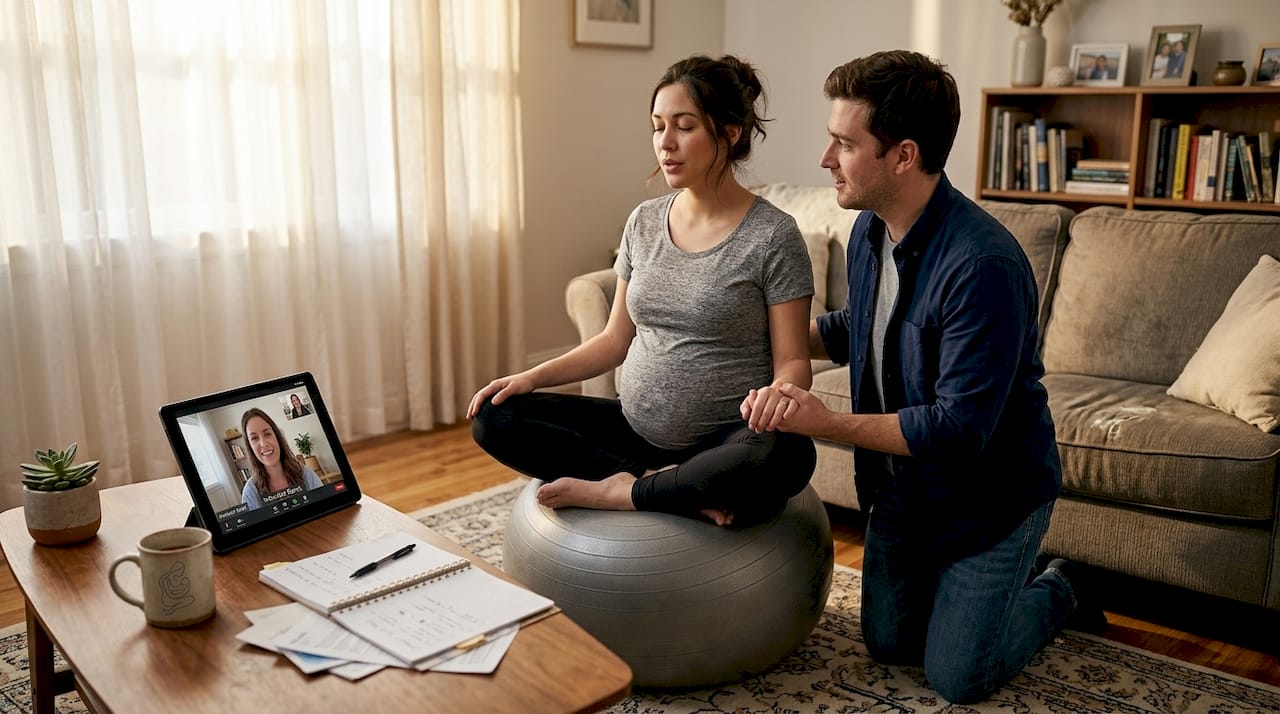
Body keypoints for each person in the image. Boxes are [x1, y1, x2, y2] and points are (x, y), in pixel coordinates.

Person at [750, 50, 1099, 704]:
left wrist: (823, 422)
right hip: (905, 496)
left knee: (957, 676)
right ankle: (960, 597)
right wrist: (768, 333)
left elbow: (958, 428)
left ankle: (1060, 588)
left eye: (844, 144)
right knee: (887, 643)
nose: (826, 159)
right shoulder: (869, 232)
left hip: (990, 500)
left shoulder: (983, 265)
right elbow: (865, 322)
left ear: (903, 156)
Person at [468, 54, 817, 527]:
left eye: (684, 126)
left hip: (725, 439)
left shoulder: (773, 236)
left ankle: (626, 491)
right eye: (657, 127)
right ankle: (661, 484)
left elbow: (794, 361)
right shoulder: (644, 221)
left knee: (787, 455)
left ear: (730, 132)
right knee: (494, 415)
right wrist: (531, 377)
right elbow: (615, 340)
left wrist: (782, 392)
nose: (665, 144)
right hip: (632, 431)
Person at [240, 407, 322, 509]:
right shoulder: (250, 492)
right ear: (250, 447)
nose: (263, 444)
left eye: (267, 434)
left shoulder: (306, 474)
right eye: (254, 438)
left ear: (277, 437)